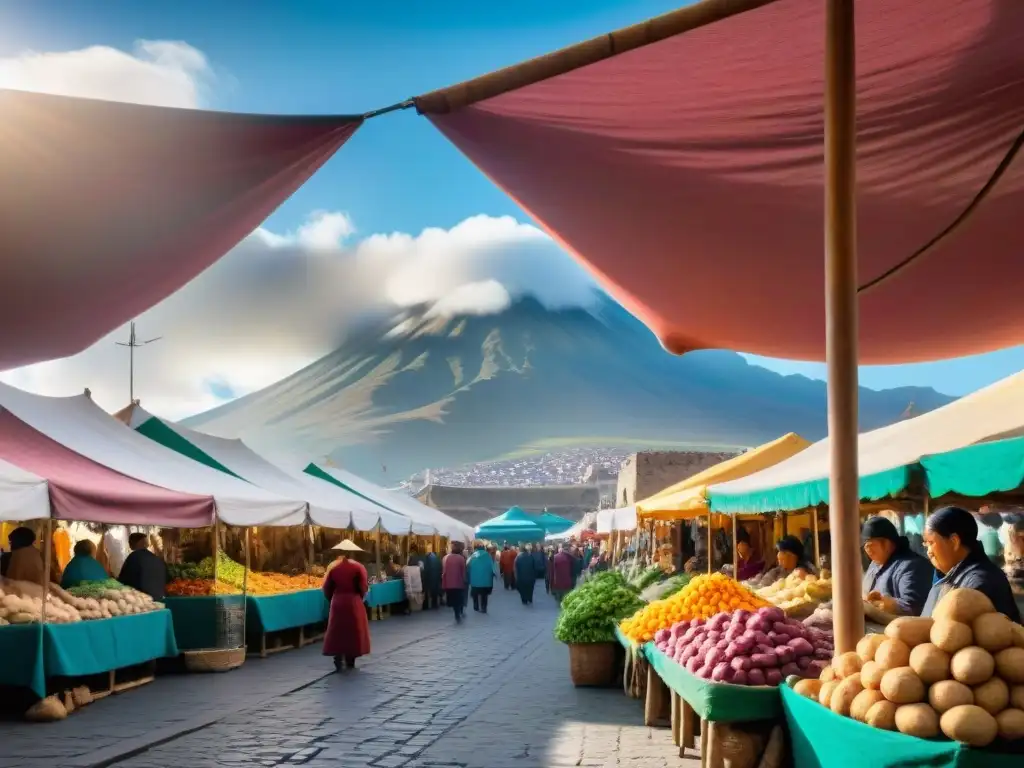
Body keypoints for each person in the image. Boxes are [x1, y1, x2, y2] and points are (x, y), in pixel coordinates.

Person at [921, 506, 1021, 622]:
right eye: (925, 544)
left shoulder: (980, 582)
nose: (929, 552)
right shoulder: (949, 575)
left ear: (954, 542)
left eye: (931, 543)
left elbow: (955, 634)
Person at [861, 517, 934, 617]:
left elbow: (913, 608)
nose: (867, 550)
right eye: (865, 546)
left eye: (870, 545)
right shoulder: (874, 564)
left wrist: (886, 604)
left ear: (887, 543)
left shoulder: (912, 566)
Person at [322, 540, 371, 672]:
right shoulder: (359, 568)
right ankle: (351, 658)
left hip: (337, 601)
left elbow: (326, 588)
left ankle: (338, 657)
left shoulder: (334, 568)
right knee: (352, 631)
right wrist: (359, 596)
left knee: (338, 631)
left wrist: (333, 597)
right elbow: (363, 587)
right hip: (353, 601)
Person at [118, 533, 169, 600]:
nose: (129, 544)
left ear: (139, 542)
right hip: (161, 599)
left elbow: (124, 580)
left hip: (143, 601)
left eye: (130, 542)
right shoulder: (157, 559)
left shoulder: (133, 557)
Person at [442, 541, 468, 622]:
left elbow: (444, 571)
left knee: (453, 599)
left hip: (449, 583)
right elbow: (463, 571)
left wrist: (444, 583)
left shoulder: (446, 558)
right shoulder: (461, 558)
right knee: (458, 598)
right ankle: (459, 612)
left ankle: (456, 613)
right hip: (459, 583)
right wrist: (464, 580)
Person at [467, 543, 495, 613]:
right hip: (486, 581)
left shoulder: (473, 555)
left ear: (476, 549)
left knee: (475, 594)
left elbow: (467, 564)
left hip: (475, 581)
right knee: (484, 595)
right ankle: (483, 607)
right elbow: (492, 567)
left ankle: (476, 606)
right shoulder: (488, 555)